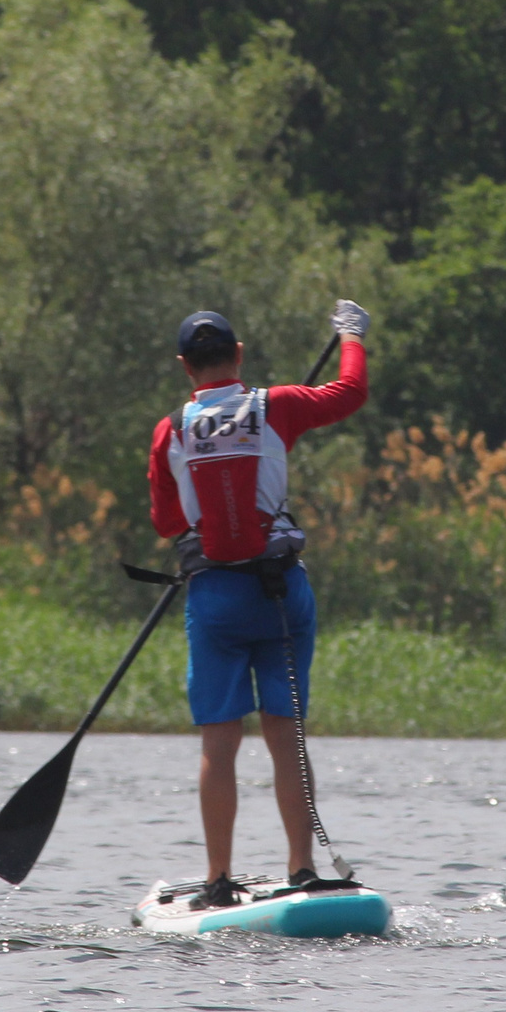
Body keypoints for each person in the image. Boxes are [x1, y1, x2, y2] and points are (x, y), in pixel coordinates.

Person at [147, 301, 370, 908]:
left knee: (219, 745)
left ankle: (219, 878)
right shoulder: (278, 406)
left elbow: (168, 521)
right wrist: (350, 335)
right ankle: (300, 867)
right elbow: (349, 391)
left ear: (183, 366)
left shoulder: (169, 428)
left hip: (216, 598)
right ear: (238, 354)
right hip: (281, 596)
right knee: (286, 734)